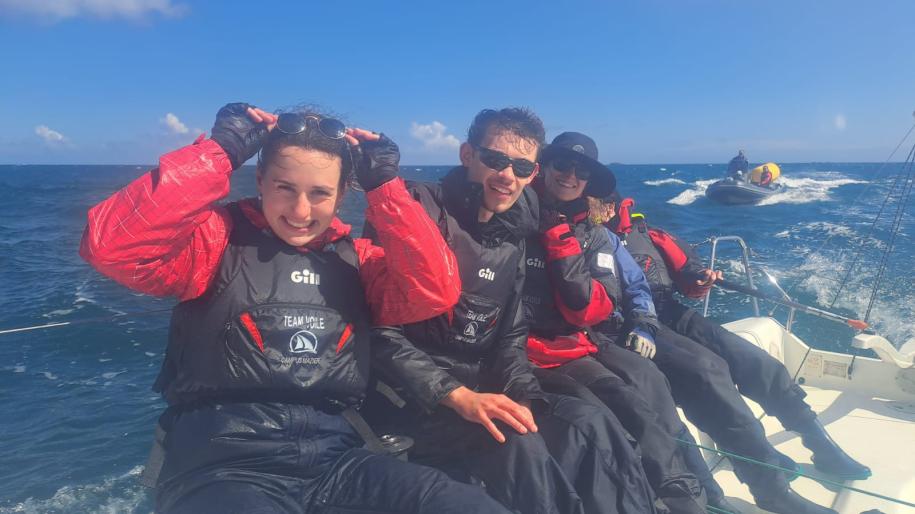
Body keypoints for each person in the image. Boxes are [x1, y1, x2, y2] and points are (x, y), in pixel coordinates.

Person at [80, 103, 511, 514]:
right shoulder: (213, 244)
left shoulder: (357, 260)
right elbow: (113, 247)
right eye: (285, 188)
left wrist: (384, 186)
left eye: (320, 193)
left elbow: (434, 290)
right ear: (261, 179)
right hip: (221, 465)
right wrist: (219, 153)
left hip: (337, 462)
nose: (301, 211)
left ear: (344, 194)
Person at [363, 109, 656, 514]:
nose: (507, 175)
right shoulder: (415, 209)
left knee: (589, 424)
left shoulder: (511, 231)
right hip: (414, 396)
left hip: (483, 386)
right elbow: (377, 328)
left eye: (520, 166)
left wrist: (526, 396)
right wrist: (455, 395)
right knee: (522, 444)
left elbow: (510, 335)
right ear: (467, 154)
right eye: (495, 159)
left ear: (532, 172)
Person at [596, 191, 868, 514]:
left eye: (608, 198)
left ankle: (819, 444)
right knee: (708, 373)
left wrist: (702, 278)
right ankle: (769, 485)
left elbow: (688, 275)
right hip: (632, 327)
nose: (604, 205)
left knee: (756, 361)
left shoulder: (647, 233)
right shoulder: (591, 239)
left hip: (673, 312)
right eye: (597, 198)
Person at [521, 132, 710, 514]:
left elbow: (607, 296)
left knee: (649, 392)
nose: (571, 176)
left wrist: (643, 323)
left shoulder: (597, 236)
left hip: (581, 339)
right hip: (527, 349)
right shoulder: (513, 219)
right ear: (544, 167)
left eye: (582, 171)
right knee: (606, 422)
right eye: (562, 165)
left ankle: (700, 499)